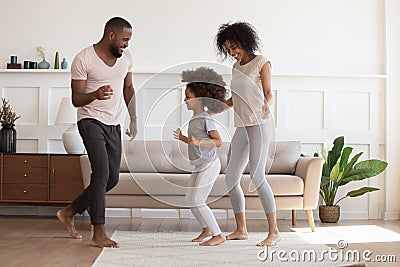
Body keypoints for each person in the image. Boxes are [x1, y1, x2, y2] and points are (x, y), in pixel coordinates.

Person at [56, 17, 137, 248]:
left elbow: (129, 88)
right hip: (90, 120)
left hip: (114, 123)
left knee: (112, 177)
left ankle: (69, 212)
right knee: (101, 172)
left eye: (129, 40)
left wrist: (134, 118)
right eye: (124, 39)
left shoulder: (127, 58)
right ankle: (98, 232)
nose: (127, 45)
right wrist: (94, 95)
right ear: (111, 35)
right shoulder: (84, 59)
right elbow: (76, 99)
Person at [215, 21, 281, 246]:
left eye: (234, 48)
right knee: (231, 176)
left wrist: (266, 106)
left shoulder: (262, 62)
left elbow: (268, 92)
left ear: (245, 42)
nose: (232, 53)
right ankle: (241, 229)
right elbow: (235, 99)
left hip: (260, 125)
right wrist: (217, 107)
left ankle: (274, 232)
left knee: (257, 176)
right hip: (242, 125)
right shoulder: (236, 68)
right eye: (228, 50)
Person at [173, 67, 226, 246]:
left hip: (210, 164)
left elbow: (218, 142)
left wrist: (197, 143)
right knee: (190, 199)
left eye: (188, 96)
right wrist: (184, 139)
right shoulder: (195, 119)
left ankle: (218, 235)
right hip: (199, 164)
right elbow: (196, 140)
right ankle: (206, 228)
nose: (185, 100)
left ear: (199, 99)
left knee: (198, 200)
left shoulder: (206, 118)